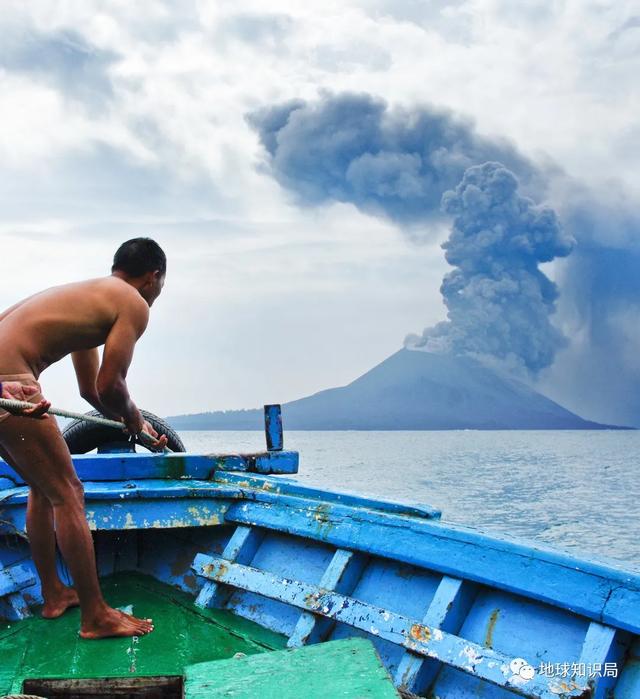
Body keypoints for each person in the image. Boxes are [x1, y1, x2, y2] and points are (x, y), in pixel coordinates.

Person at [0, 237, 169, 639]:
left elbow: (92, 392)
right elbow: (113, 385)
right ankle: (96, 616)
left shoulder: (90, 297)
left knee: (44, 489)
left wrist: (139, 427)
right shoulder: (133, 303)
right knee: (69, 493)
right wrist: (130, 414)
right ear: (154, 277)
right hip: (14, 387)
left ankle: (55, 593)